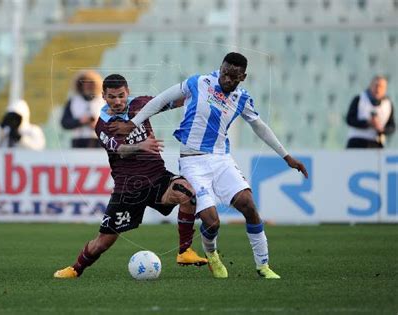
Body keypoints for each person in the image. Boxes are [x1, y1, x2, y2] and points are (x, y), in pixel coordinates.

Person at [108, 52, 309, 279]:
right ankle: (212, 255)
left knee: (249, 205)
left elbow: (260, 126)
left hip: (221, 160)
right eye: (224, 73)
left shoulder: (242, 98)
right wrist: (132, 124)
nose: (226, 79)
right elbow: (161, 100)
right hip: (192, 161)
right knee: (212, 222)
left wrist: (286, 156)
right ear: (220, 68)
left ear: (243, 77)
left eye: (233, 76)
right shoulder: (198, 83)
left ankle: (263, 265)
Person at [53, 74, 207, 279]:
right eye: (112, 97)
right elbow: (121, 150)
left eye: (121, 96)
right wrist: (141, 146)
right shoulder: (102, 125)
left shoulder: (141, 104)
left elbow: (171, 102)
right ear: (104, 96)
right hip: (128, 189)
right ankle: (75, 269)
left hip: (156, 178)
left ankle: (184, 251)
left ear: (128, 92)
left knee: (187, 192)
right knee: (103, 242)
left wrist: (196, 97)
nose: (117, 101)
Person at [346, 75, 395, 148]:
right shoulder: (359, 99)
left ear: (385, 89)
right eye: (376, 85)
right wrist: (367, 123)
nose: (378, 89)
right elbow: (349, 119)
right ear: (370, 86)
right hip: (356, 143)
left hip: (376, 144)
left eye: (381, 87)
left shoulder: (388, 104)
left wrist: (381, 129)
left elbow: (392, 127)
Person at [60, 70, 105, 148]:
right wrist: (79, 121)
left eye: (90, 83)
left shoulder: (103, 101)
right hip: (78, 140)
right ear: (79, 85)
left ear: (96, 85)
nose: (87, 86)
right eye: (84, 83)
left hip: (98, 141)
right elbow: (64, 123)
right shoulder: (73, 101)